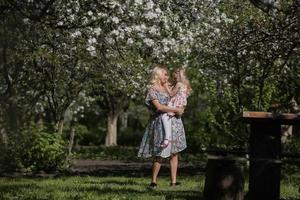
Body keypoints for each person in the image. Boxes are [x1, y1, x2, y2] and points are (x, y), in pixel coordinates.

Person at [138, 65, 187, 188]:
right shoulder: (152, 89)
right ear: (158, 75)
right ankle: (153, 181)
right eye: (165, 74)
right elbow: (159, 107)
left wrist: (181, 109)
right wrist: (176, 109)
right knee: (159, 153)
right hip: (160, 123)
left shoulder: (169, 87)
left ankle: (173, 182)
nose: (167, 76)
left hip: (174, 122)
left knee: (174, 152)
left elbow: (181, 96)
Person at [160, 68, 192, 148]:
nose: (174, 78)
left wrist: (166, 86)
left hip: (175, 104)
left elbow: (171, 94)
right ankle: (169, 137)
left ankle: (167, 138)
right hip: (181, 104)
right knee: (170, 119)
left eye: (175, 76)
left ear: (178, 75)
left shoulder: (179, 84)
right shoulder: (186, 85)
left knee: (164, 117)